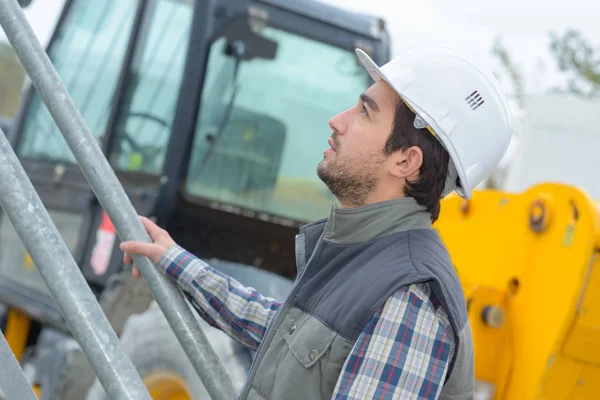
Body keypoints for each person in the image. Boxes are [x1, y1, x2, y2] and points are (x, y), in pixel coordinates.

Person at [121, 46, 512, 399]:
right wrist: (176, 261)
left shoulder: (407, 297)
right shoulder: (366, 257)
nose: (337, 121)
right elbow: (290, 340)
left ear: (406, 161)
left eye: (364, 112)